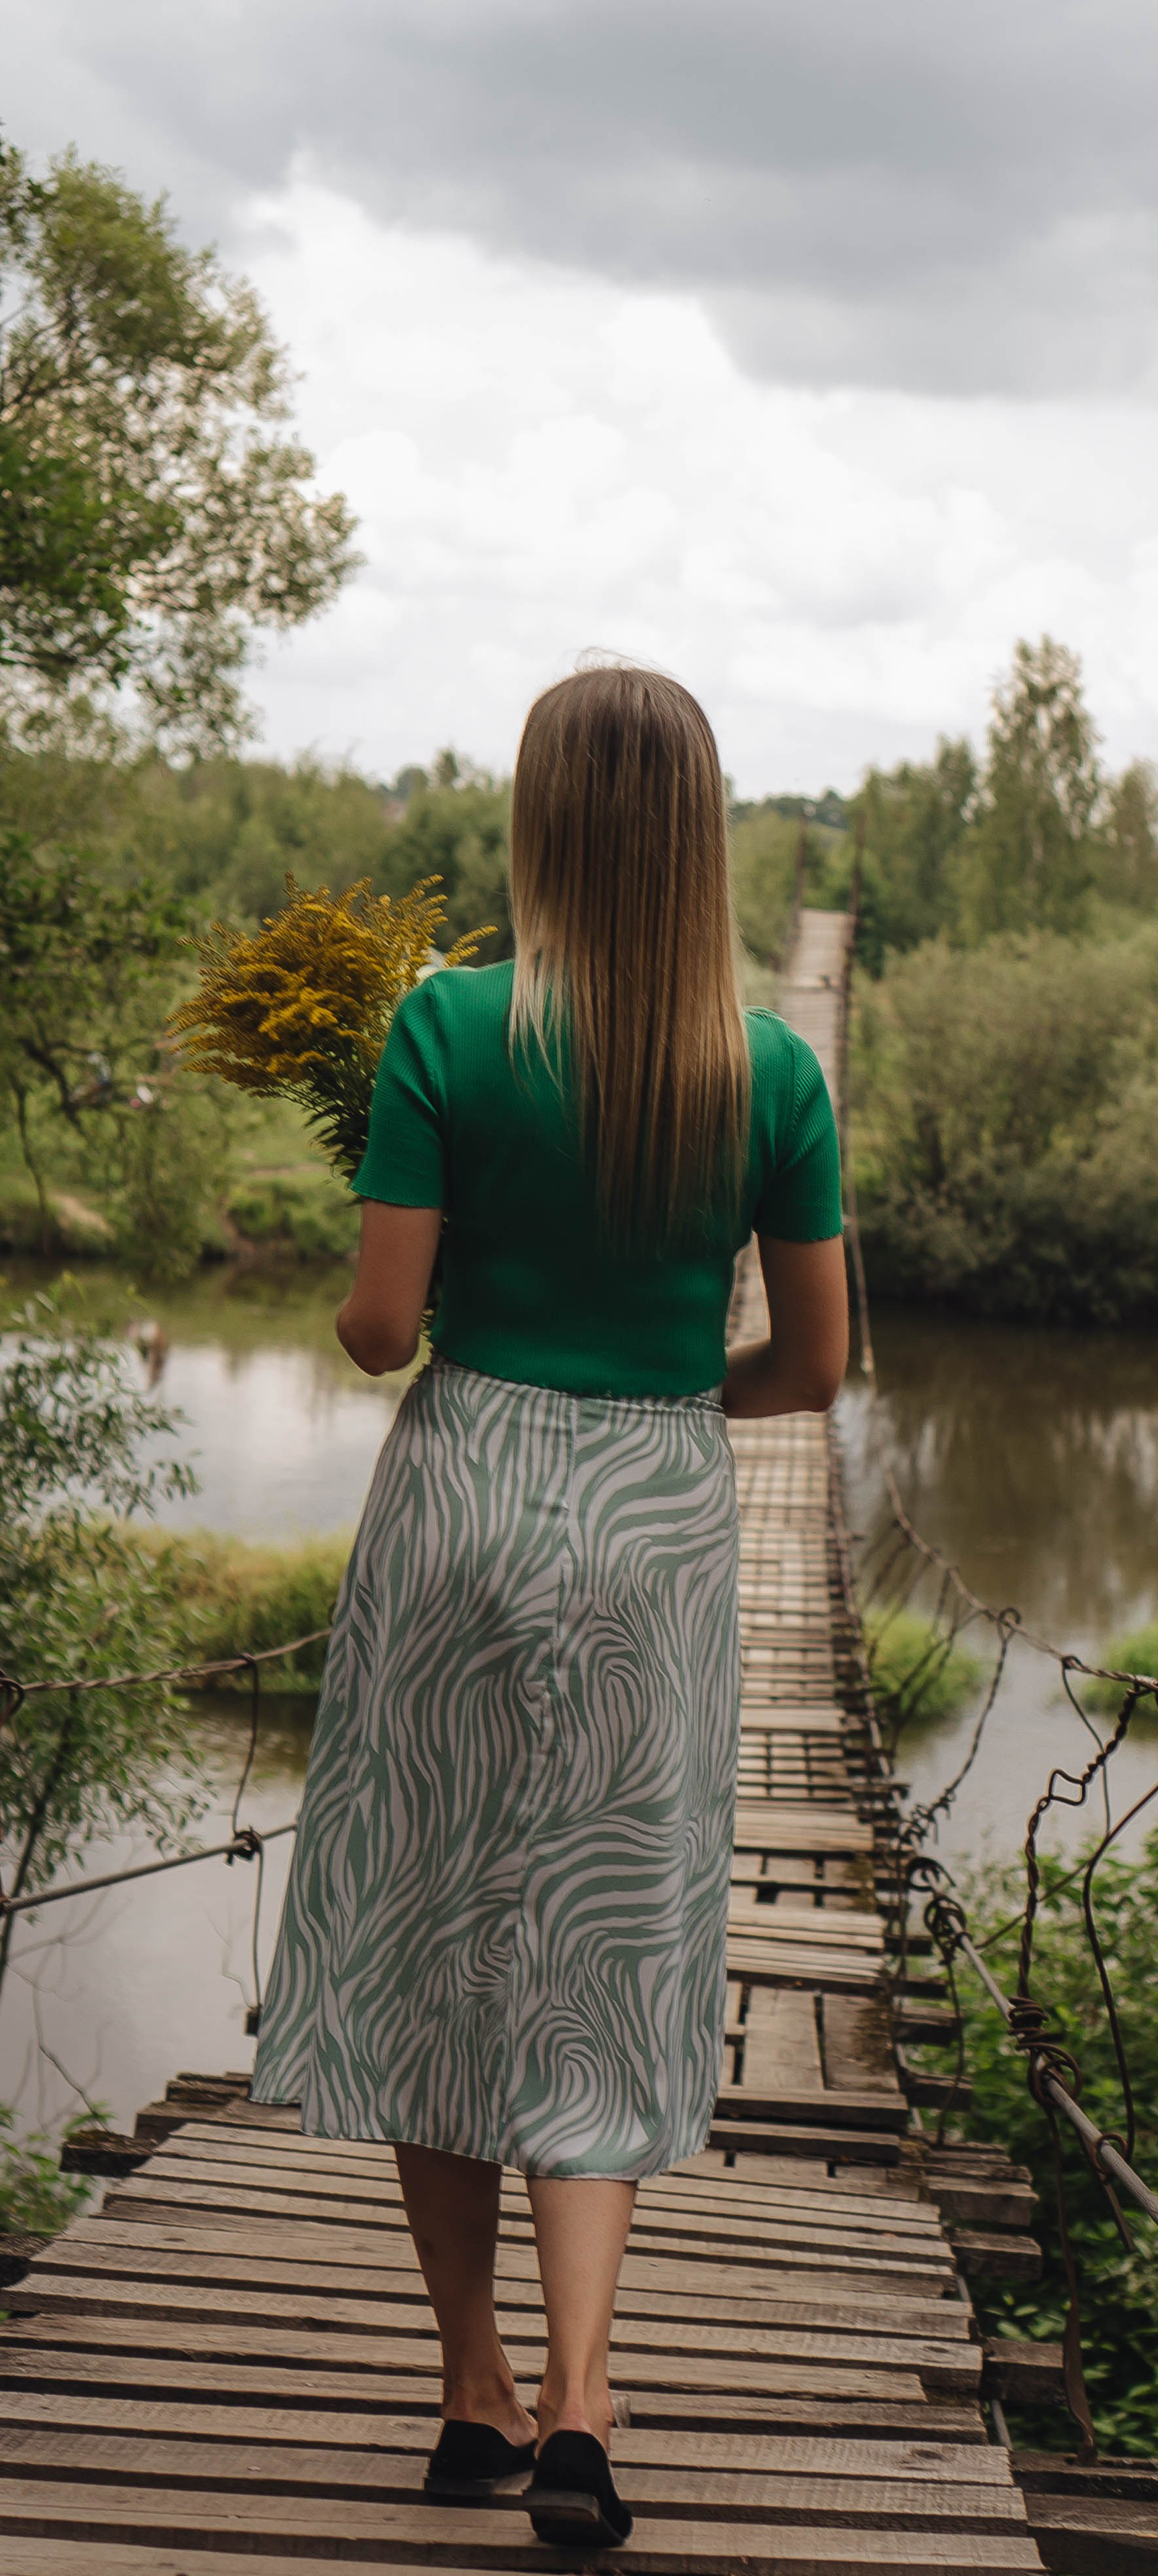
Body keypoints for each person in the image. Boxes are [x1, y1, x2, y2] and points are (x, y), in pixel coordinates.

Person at [250, 665, 848, 2548]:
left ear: (535, 823)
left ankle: (469, 2386)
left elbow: (371, 1332)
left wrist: (396, 1237)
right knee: (602, 1943)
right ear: (700, 834)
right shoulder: (769, 1071)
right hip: (655, 1516)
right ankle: (589, 2403)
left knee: (437, 1924)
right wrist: (673, 1401)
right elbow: (814, 1369)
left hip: (460, 1503)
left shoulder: (436, 1030)